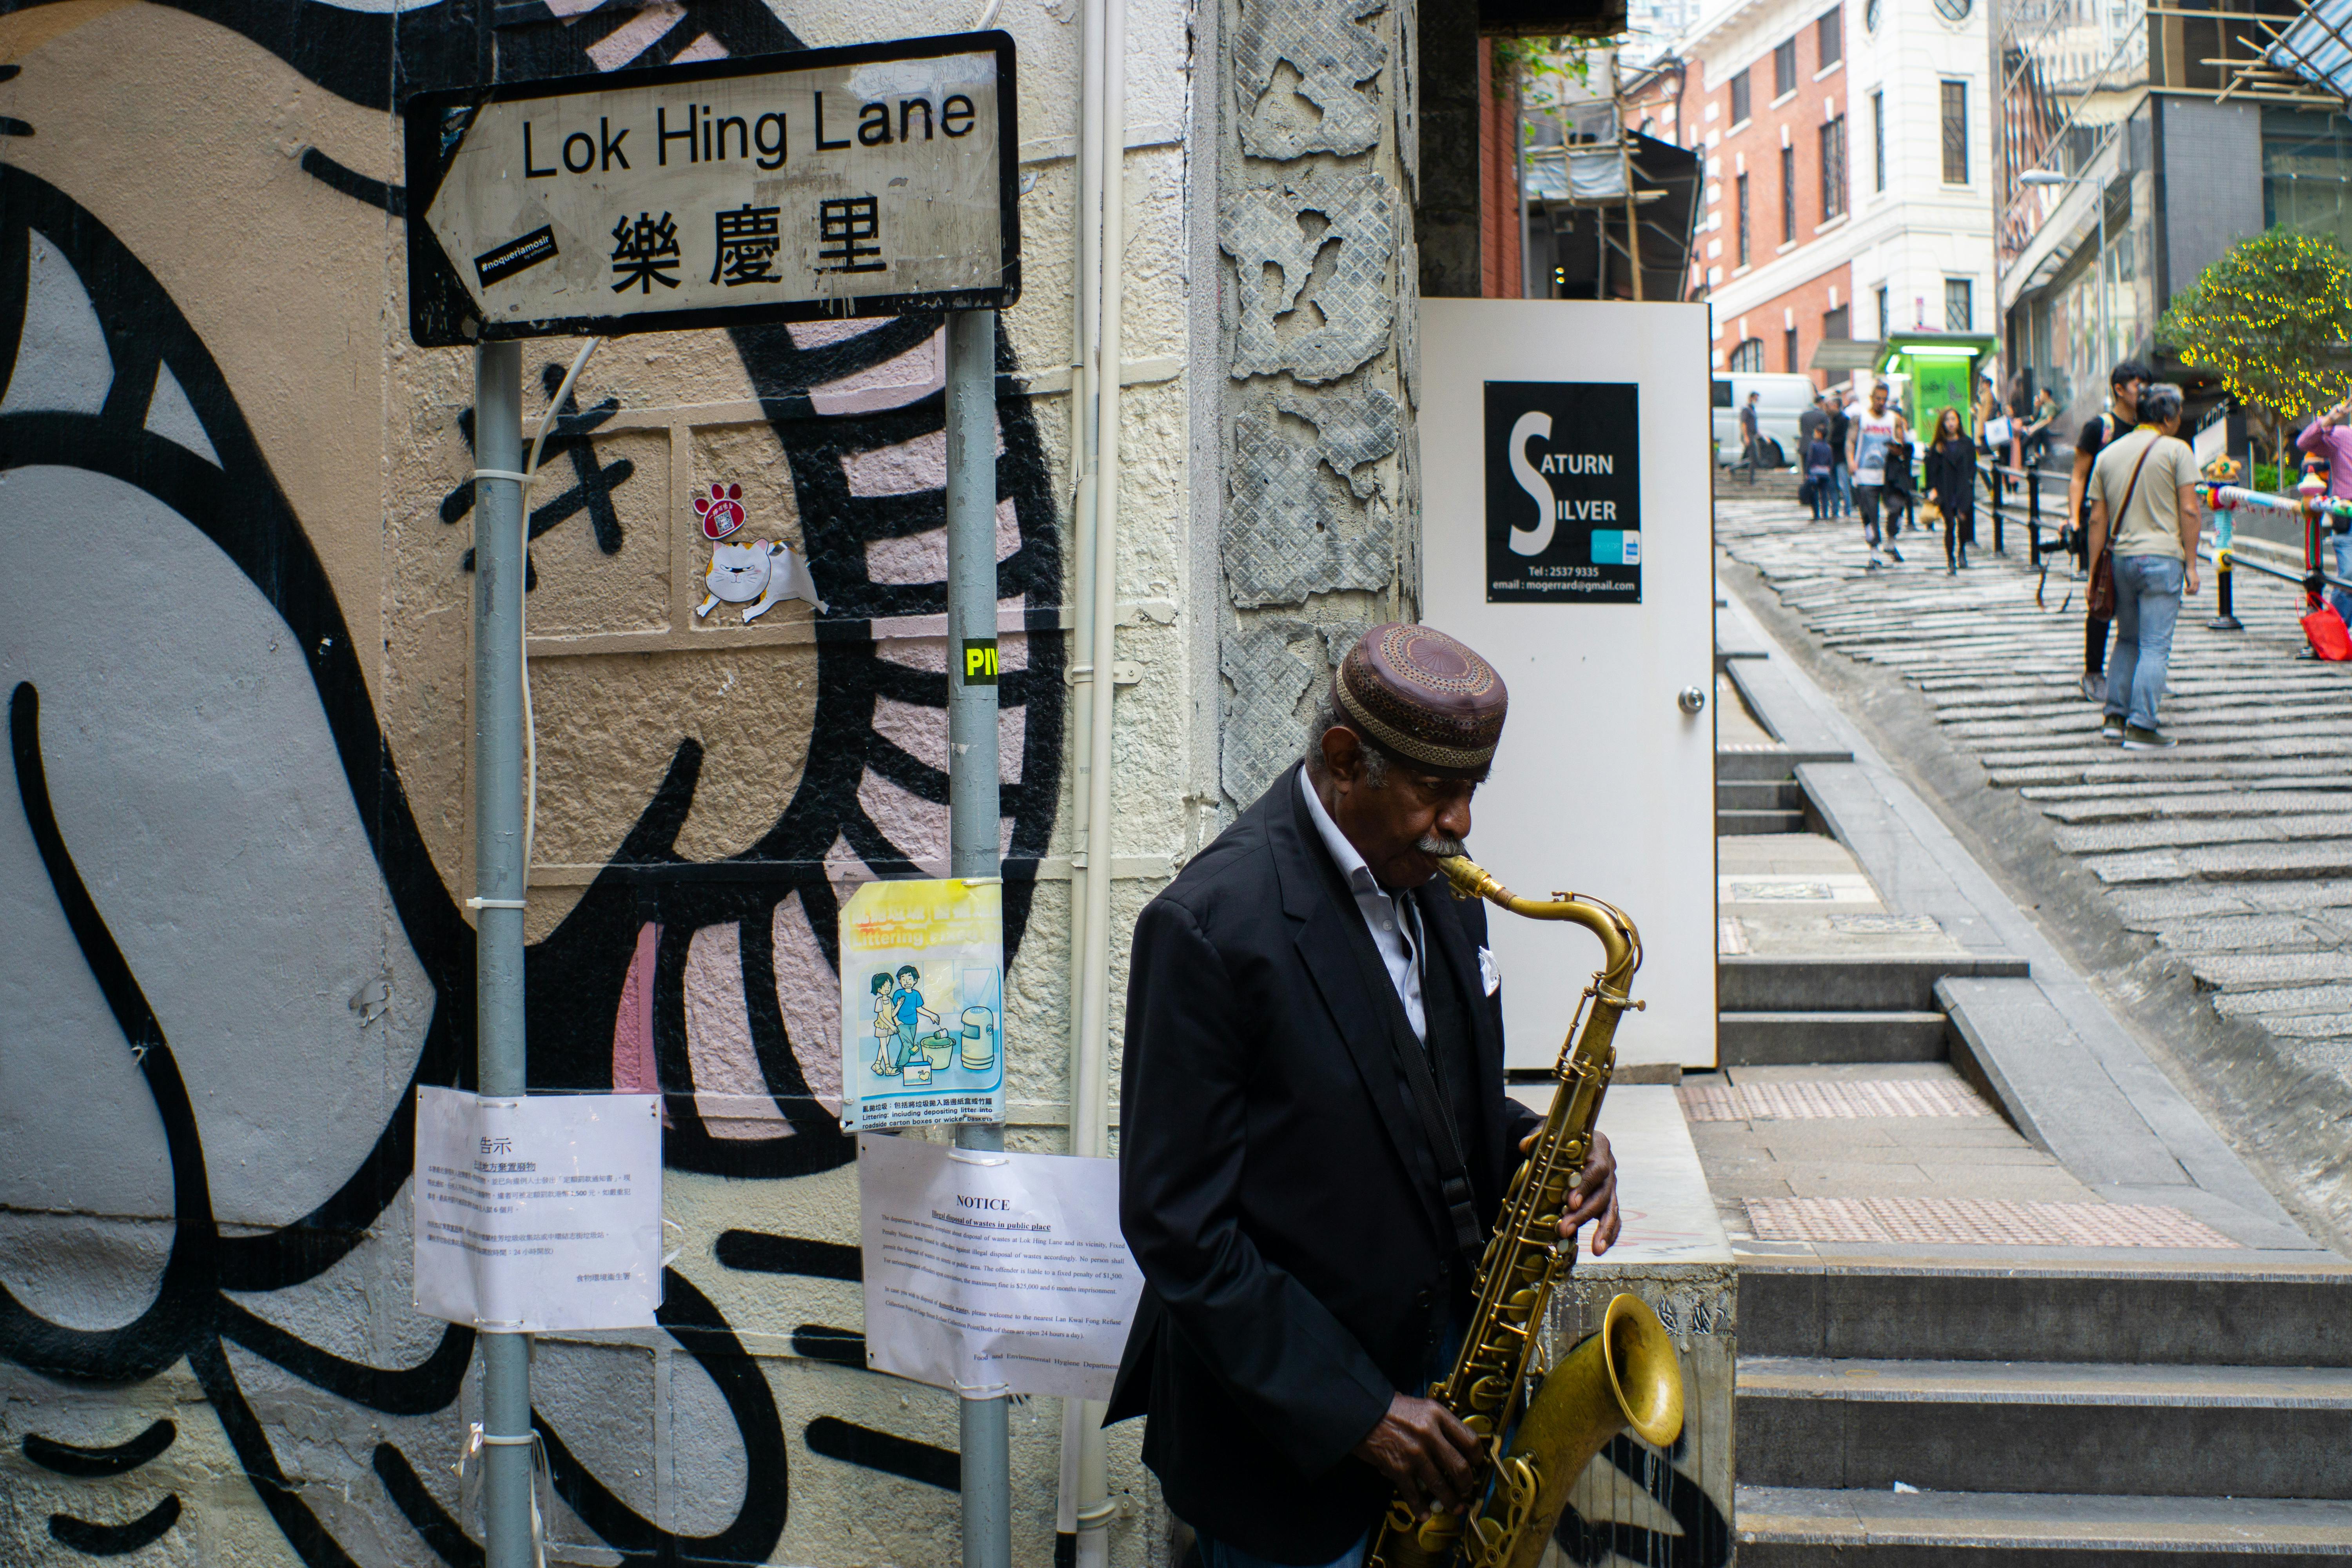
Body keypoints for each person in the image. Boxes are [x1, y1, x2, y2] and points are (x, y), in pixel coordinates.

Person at [1110, 623, 1624, 1568]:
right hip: (1291, 1461)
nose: (1463, 822)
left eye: (1472, 791)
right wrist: (1363, 1413)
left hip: (1449, 1396)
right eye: (1438, 791)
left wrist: (1545, 1145)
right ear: (1346, 761)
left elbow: (1417, 1106)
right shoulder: (1209, 926)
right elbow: (1179, 1227)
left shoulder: (1438, 882)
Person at [2086, 383, 2201, 750]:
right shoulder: (2177, 451)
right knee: (2155, 646)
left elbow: (2097, 520)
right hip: (2163, 559)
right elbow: (2189, 510)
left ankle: (2115, 717)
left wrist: (2093, 573)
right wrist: (2193, 565)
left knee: (2127, 639)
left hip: (2122, 559)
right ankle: (2142, 725)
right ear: (2168, 417)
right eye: (2178, 415)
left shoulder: (2109, 454)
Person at [2069, 359, 2150, 701]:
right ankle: (2093, 671)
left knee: (2142, 601)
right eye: (2137, 386)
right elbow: (2078, 476)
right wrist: (2075, 520)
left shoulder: (2149, 428)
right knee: (2102, 596)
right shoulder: (2099, 428)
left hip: (2139, 524)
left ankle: (2141, 672)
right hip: (2104, 525)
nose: (2143, 392)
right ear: (2119, 389)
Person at [2295, 395, 2352, 626]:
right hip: (2347, 517)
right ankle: (2331, 631)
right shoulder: (2342, 436)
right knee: (2349, 575)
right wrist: (2330, 419)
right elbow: (2304, 443)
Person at [1848, 381, 1909, 569]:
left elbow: (1902, 444)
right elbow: (1850, 442)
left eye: (1884, 399)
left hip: (1889, 474)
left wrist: (1898, 447)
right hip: (1866, 474)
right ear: (1871, 398)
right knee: (1869, 513)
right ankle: (1874, 551)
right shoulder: (1861, 419)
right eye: (1878, 399)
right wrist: (1851, 461)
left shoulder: (1894, 419)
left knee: (1897, 506)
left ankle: (1891, 540)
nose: (1881, 403)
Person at [1925, 405, 1979, 573]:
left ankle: (1962, 550)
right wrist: (1932, 489)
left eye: (1953, 419)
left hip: (1962, 489)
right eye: (1947, 420)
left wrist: (1970, 483)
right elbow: (1931, 470)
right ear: (1943, 423)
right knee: (1949, 524)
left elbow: (1972, 466)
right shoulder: (1938, 446)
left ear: (1958, 422)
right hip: (1945, 489)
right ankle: (1950, 559)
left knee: (1963, 522)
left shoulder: (1967, 443)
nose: (1951, 424)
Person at [1829, 391, 1854, 516]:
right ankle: (1834, 509)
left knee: (1844, 484)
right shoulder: (1830, 420)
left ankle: (1847, 509)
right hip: (1832, 458)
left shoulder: (1844, 420)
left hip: (1841, 457)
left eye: (1832, 405)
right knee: (1833, 485)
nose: (1830, 408)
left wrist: (1830, 442)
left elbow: (1844, 439)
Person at [1805, 430, 1836, 520]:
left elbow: (1810, 459)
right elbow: (1831, 461)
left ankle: (1816, 514)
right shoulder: (1828, 447)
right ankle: (1825, 514)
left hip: (1815, 472)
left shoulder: (1813, 445)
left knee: (1814, 494)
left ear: (1820, 434)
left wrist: (1807, 471)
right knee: (1824, 494)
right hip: (1825, 473)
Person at [1739, 391, 1762, 484]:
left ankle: (1735, 468)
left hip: (1752, 435)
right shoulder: (1746, 410)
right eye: (1756, 398)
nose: (1757, 401)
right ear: (1751, 398)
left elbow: (1755, 426)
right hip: (1748, 435)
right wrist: (1746, 436)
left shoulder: (1753, 410)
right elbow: (1744, 424)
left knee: (1747, 457)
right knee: (1753, 457)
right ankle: (1751, 480)